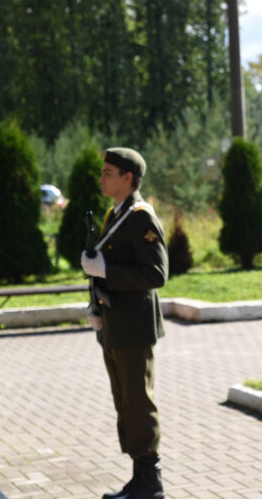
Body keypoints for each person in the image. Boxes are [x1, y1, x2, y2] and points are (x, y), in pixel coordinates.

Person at [82, 147, 168, 499]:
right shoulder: (114, 214)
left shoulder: (140, 217)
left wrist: (106, 271)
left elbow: (156, 274)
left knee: (138, 401)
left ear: (127, 178)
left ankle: (150, 483)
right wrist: (96, 305)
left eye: (107, 172)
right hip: (115, 323)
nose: (101, 178)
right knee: (124, 401)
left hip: (134, 326)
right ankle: (139, 479)